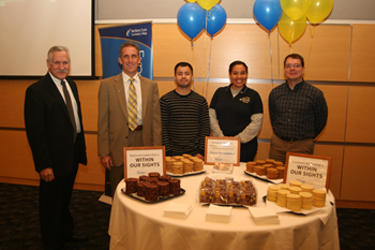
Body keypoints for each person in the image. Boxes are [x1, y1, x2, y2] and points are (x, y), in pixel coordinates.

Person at [24, 46, 88, 249]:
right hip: (52, 161)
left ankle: (65, 234)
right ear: (48, 64)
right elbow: (36, 133)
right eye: (57, 62)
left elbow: (74, 120)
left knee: (64, 200)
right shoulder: (36, 91)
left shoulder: (71, 84)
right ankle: (52, 243)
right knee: (50, 206)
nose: (62, 66)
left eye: (65, 62)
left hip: (71, 156)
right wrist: (44, 165)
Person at [98, 41, 162, 197]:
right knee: (118, 192)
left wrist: (157, 151)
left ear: (140, 59)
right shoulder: (107, 85)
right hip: (117, 146)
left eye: (134, 56)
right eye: (126, 56)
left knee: (145, 188)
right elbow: (102, 121)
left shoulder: (151, 86)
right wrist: (104, 152)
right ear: (120, 60)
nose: (130, 60)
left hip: (144, 142)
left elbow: (156, 122)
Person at [268, 53, 328, 163]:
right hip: (278, 145)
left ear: (303, 69)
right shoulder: (275, 93)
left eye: (296, 65)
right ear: (284, 70)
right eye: (288, 66)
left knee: (298, 180)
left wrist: (307, 138)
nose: (292, 69)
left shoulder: (315, 94)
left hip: (302, 145)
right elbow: (274, 117)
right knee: (273, 177)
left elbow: (321, 121)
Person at [209, 61, 264, 162]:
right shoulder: (219, 92)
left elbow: (256, 123)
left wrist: (236, 140)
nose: (239, 76)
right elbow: (211, 117)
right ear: (229, 74)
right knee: (219, 175)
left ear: (247, 75)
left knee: (241, 177)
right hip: (220, 146)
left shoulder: (253, 95)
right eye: (235, 73)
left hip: (245, 148)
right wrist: (221, 138)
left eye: (242, 73)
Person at [160, 62, 210, 159]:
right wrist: (168, 153)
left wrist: (201, 152)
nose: (183, 76)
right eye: (180, 74)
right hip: (172, 155)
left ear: (192, 77)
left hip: (195, 155)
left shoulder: (201, 101)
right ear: (175, 77)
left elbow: (205, 128)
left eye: (187, 73)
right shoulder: (165, 100)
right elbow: (162, 128)